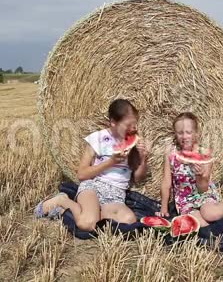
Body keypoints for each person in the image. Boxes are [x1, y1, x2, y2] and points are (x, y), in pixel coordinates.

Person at [35, 99, 149, 231]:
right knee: (87, 224)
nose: (133, 129)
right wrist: (110, 162)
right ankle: (62, 201)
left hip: (116, 194)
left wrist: (143, 158)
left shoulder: (134, 142)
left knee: (129, 221)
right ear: (113, 122)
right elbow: (82, 174)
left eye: (135, 124)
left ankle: (95, 213)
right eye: (128, 125)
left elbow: (138, 178)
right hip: (93, 187)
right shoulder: (98, 138)